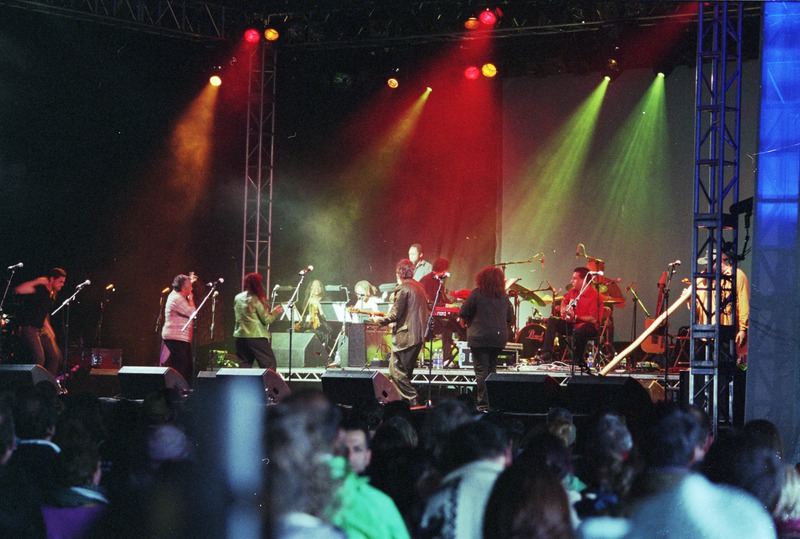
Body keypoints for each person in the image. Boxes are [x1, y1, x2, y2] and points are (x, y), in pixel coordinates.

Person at [458, 266, 515, 410]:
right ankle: (492, 403)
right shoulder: (504, 297)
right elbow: (510, 318)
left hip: (480, 338)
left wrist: (465, 324)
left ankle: (483, 404)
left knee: (481, 371)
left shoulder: (477, 294)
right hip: (498, 339)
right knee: (492, 369)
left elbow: (463, 313)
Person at [374, 259, 429, 406]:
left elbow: (395, 314)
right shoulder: (419, 286)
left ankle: (413, 400)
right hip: (418, 335)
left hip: (406, 336)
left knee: (396, 373)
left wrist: (378, 321)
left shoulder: (403, 288)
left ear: (399, 273)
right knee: (405, 374)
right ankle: (403, 405)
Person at [536, 267, 602, 371]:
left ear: (583, 280)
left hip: (589, 327)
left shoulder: (595, 295)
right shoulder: (573, 291)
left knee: (580, 331)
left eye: (574, 278)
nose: (571, 281)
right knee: (552, 320)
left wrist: (575, 316)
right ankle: (547, 352)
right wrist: (563, 309)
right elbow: (564, 301)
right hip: (573, 324)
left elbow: (593, 319)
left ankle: (577, 359)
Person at [695, 245, 750, 366]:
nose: (705, 267)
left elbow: (743, 302)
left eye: (708, 263)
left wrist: (743, 329)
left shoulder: (737, 275)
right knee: (701, 369)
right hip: (704, 334)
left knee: (724, 368)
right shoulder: (703, 279)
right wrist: (690, 299)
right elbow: (698, 307)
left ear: (719, 261)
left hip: (725, 332)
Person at [14, 267, 67, 376]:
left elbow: (43, 315)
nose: (62, 284)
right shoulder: (41, 289)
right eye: (60, 281)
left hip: (41, 329)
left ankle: (47, 384)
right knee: (39, 357)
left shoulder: (52, 294)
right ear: (52, 279)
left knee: (56, 356)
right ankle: (33, 385)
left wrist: (50, 330)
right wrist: (37, 281)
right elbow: (19, 289)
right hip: (29, 327)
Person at [233, 272, 285, 370]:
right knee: (269, 364)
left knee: (244, 366)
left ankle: (244, 385)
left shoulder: (238, 297)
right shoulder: (256, 299)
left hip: (240, 336)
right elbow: (266, 319)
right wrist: (275, 312)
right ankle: (268, 385)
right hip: (256, 336)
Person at [161, 273, 197, 383]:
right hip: (175, 337)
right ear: (183, 287)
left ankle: (182, 389)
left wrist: (189, 282)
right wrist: (191, 298)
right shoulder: (177, 298)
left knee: (186, 366)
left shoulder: (178, 296)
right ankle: (176, 388)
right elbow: (192, 313)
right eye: (190, 286)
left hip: (181, 337)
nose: (192, 288)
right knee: (181, 366)